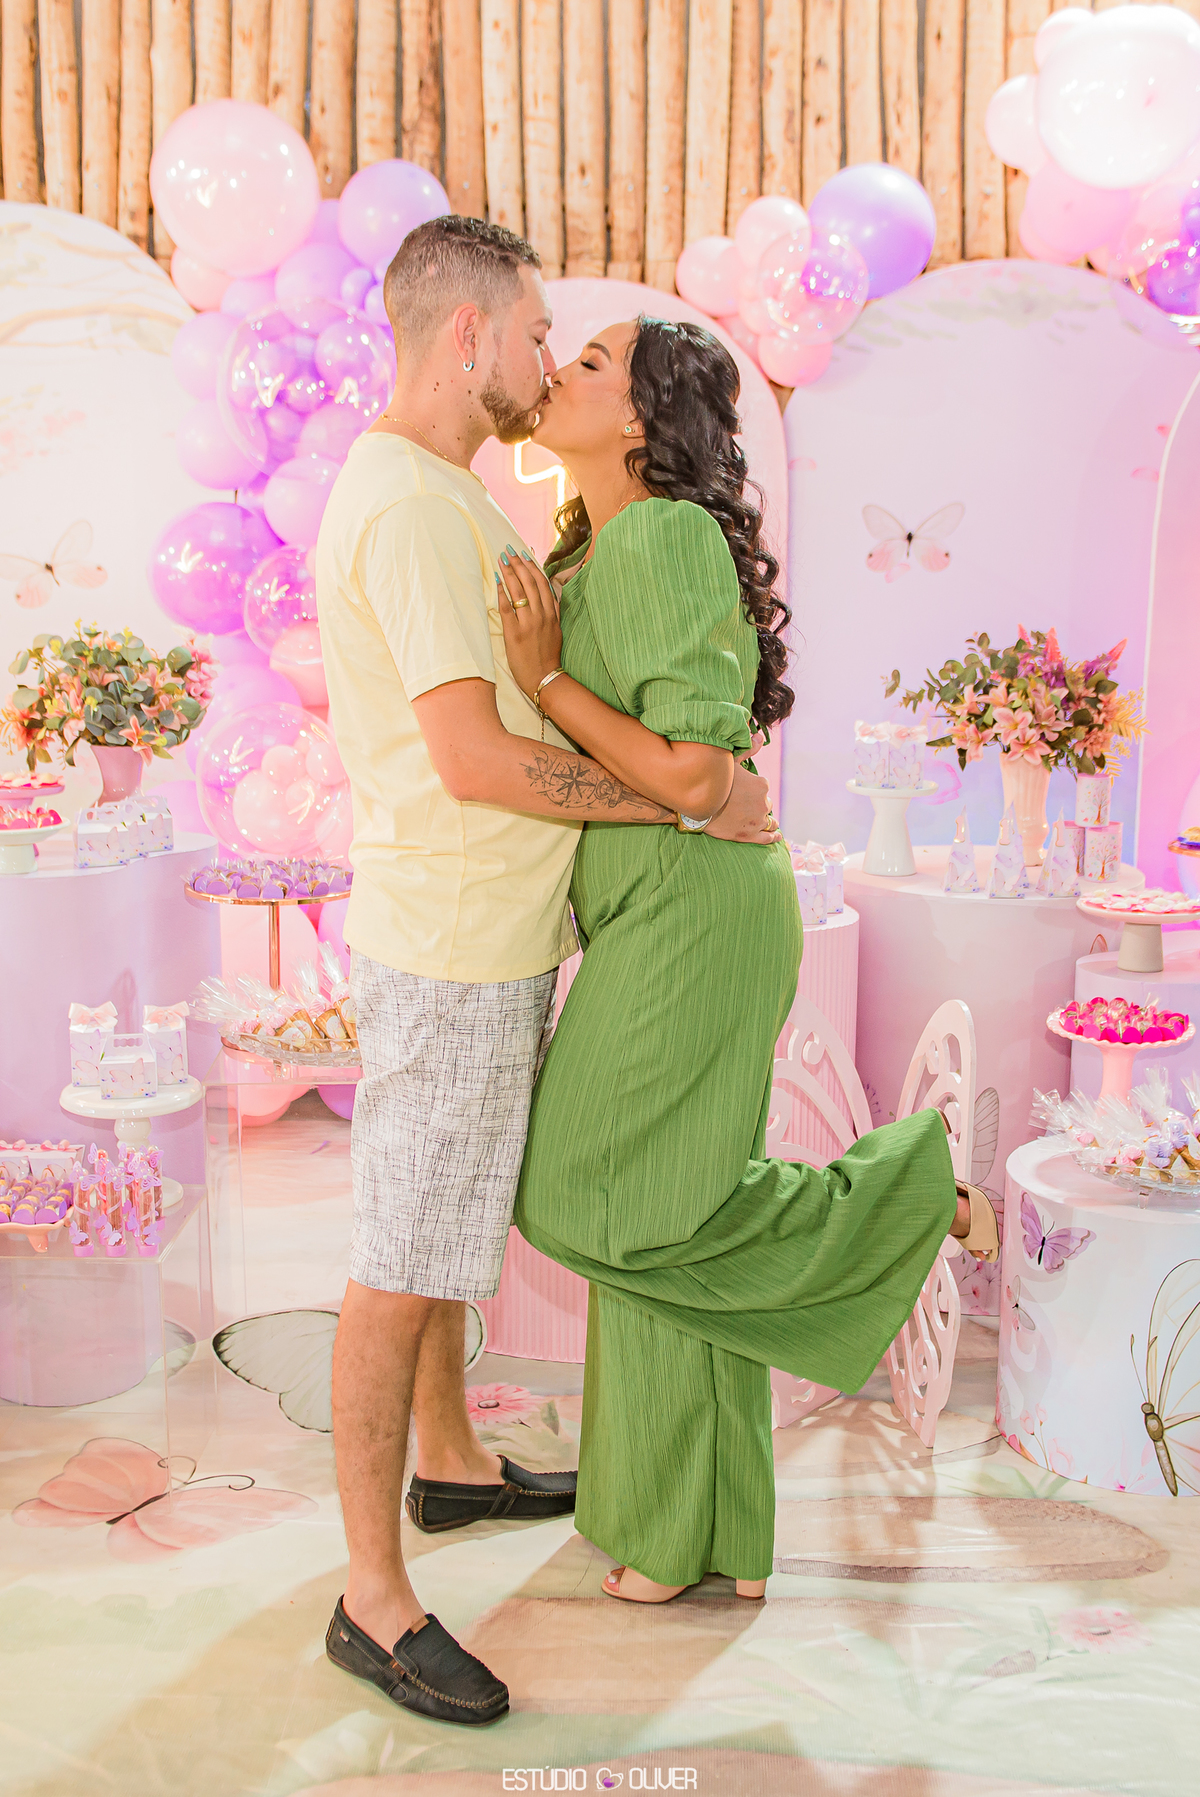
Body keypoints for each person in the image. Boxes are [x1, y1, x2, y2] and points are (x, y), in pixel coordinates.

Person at [315, 221, 779, 1724]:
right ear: (468, 339)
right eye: (533, 334)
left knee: (445, 1234)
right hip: (453, 945)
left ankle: (450, 1464)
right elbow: (471, 757)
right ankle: (372, 1598)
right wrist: (680, 800)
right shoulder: (411, 508)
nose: (541, 358)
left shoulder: (455, 493)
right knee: (403, 1260)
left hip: (492, 937)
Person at [496, 315, 1000, 1606]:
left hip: (697, 917)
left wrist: (546, 682)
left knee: (600, 1199)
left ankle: (908, 1196)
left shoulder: (661, 534)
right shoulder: (594, 543)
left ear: (640, 418)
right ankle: (692, 1529)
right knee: (668, 1222)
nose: (560, 370)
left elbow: (694, 774)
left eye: (592, 362)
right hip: (661, 910)